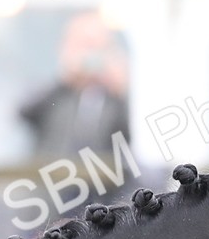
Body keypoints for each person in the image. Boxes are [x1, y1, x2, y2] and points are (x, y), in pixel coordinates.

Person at [19, 11, 132, 159]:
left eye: (96, 46)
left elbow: (125, 142)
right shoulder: (58, 92)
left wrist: (119, 92)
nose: (90, 55)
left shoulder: (110, 97)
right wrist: (66, 79)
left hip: (100, 179)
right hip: (52, 177)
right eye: (84, 45)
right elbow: (24, 112)